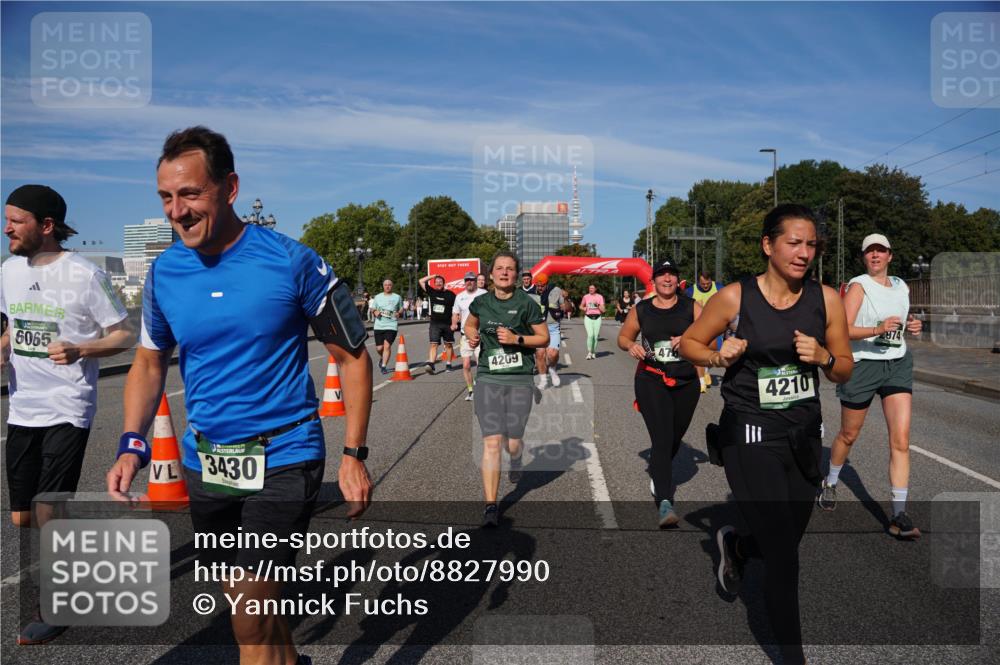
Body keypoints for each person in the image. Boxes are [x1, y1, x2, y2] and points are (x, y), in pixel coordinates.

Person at [105, 127, 373, 665]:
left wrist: (353, 454)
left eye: (190, 193)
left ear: (229, 188)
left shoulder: (292, 261)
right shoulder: (164, 272)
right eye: (166, 197)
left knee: (249, 613)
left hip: (284, 454)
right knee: (251, 608)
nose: (177, 211)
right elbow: (150, 361)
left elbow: (352, 357)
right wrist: (132, 442)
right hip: (207, 460)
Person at [680, 204, 852, 665]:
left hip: (803, 434)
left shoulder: (826, 299)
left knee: (786, 539)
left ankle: (737, 545)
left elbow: (844, 369)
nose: (803, 253)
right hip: (749, 431)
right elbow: (690, 343)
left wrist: (824, 358)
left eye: (811, 244)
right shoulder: (735, 298)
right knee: (784, 559)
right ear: (768, 245)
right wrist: (718, 357)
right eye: (793, 243)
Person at [3, 184, 135, 645]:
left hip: (67, 405)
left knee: (49, 510)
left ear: (46, 225)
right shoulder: (8, 272)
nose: (6, 229)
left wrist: (82, 348)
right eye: (6, 220)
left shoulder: (83, 274)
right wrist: (3, 347)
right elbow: (13, 327)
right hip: (23, 407)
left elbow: (124, 334)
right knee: (22, 517)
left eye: (15, 221)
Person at [817, 233, 923, 539]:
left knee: (900, 440)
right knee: (849, 434)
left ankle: (898, 514)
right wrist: (877, 329)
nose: (875, 255)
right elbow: (842, 329)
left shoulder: (901, 286)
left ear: (890, 255)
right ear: (864, 257)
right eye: (870, 251)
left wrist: (913, 325)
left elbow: (901, 322)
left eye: (881, 251)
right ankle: (831, 481)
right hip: (863, 366)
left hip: (897, 363)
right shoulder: (858, 286)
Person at [464, 252, 548, 526]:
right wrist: (472, 336)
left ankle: (517, 455)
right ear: (490, 274)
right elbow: (470, 324)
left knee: (512, 442)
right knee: (491, 442)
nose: (504, 273)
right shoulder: (481, 302)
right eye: (499, 268)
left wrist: (517, 338)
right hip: (488, 377)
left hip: (519, 379)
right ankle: (491, 505)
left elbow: (544, 337)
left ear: (516, 275)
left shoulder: (527, 303)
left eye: (509, 269)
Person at [618, 258, 701, 528]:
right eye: (662, 275)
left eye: (671, 275)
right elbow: (623, 337)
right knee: (663, 437)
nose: (667, 279)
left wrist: (689, 340)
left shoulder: (691, 307)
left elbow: (712, 338)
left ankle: (658, 466)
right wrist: (630, 345)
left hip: (686, 380)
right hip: (651, 379)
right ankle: (665, 501)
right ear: (653, 281)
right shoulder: (641, 309)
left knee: (674, 436)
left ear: (678, 280)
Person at [452, 271, 487, 400]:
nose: (469, 282)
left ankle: (480, 386)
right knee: (466, 365)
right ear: (464, 282)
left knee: (480, 364)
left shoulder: (483, 294)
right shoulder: (459, 296)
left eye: (472, 280)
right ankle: (471, 390)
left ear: (475, 281)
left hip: (480, 334)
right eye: (467, 280)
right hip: (465, 335)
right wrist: (453, 323)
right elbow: (455, 313)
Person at [689, 271, 723, 393]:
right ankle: (701, 381)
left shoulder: (719, 288)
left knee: (714, 353)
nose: (705, 286)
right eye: (703, 284)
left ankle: (706, 370)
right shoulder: (691, 291)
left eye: (708, 284)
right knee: (700, 352)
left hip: (716, 326)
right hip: (699, 327)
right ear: (698, 282)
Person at [419, 273, 457, 373]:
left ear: (444, 283)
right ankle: (431, 364)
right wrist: (433, 276)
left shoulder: (450, 294)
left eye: (440, 282)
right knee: (433, 344)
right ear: (434, 284)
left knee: (448, 345)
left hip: (447, 323)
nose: (438, 283)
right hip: (435, 323)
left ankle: (448, 364)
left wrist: (455, 322)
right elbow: (421, 281)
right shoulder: (432, 292)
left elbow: (457, 309)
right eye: (436, 282)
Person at [535, 274, 566, 388]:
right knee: (540, 354)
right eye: (538, 286)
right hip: (539, 328)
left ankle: (552, 369)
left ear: (547, 284)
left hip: (553, 327)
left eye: (542, 286)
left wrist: (565, 302)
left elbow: (564, 306)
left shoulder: (556, 291)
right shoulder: (533, 293)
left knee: (552, 354)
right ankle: (543, 380)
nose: (540, 288)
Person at [372, 279, 403, 375]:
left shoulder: (397, 297)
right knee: (379, 348)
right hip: (379, 325)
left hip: (391, 325)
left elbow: (401, 308)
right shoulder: (377, 297)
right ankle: (382, 358)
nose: (387, 286)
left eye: (389, 285)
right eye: (385, 285)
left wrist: (399, 313)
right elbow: (373, 308)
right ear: (383, 286)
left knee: (387, 346)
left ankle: (384, 366)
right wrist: (375, 311)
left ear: (392, 286)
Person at [580, 284, 605, 359]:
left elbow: (603, 310)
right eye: (589, 288)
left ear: (595, 289)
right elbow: (581, 306)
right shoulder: (586, 296)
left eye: (592, 288)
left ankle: (593, 351)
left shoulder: (600, 297)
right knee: (590, 335)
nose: (590, 289)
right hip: (588, 318)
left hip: (597, 318)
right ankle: (589, 352)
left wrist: (598, 305)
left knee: (595, 336)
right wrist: (584, 308)